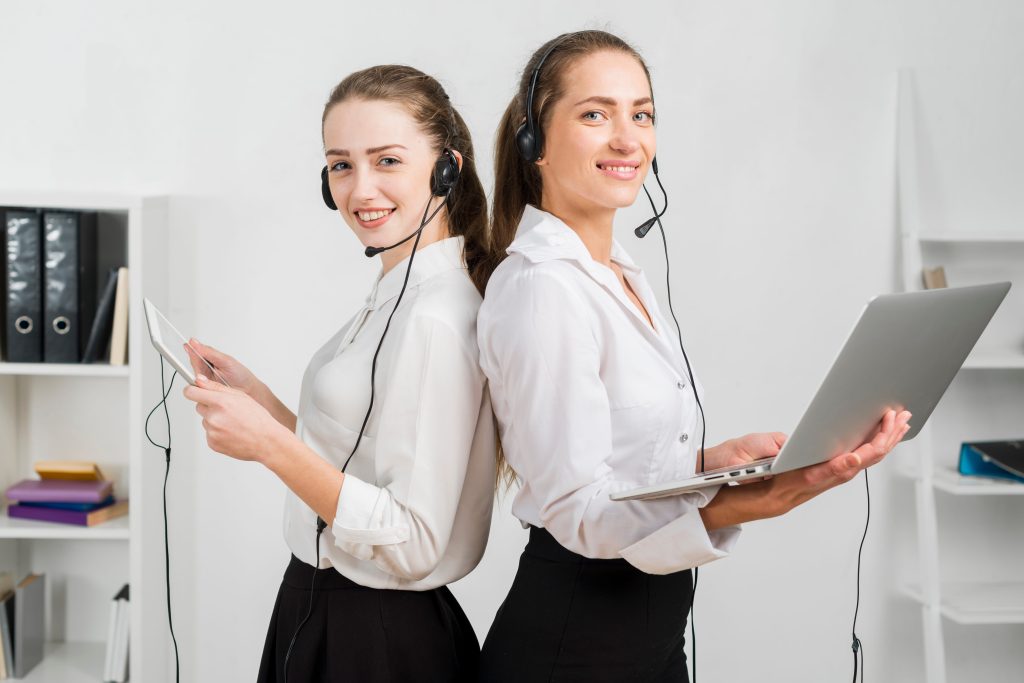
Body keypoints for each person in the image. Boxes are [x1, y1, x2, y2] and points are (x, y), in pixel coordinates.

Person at [475, 31, 911, 682]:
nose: (628, 139)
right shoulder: (541, 287)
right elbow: (580, 514)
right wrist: (750, 501)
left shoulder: (618, 272)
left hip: (651, 629)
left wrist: (709, 466)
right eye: (595, 114)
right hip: (574, 641)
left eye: (642, 114)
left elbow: (617, 466)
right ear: (534, 142)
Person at [181, 64, 496, 683]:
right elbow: (358, 461)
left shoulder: (437, 316)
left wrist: (269, 446)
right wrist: (263, 405)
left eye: (387, 161)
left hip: (374, 636)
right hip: (322, 608)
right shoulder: (394, 293)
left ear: (446, 169)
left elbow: (411, 541)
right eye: (341, 165)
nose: (360, 189)